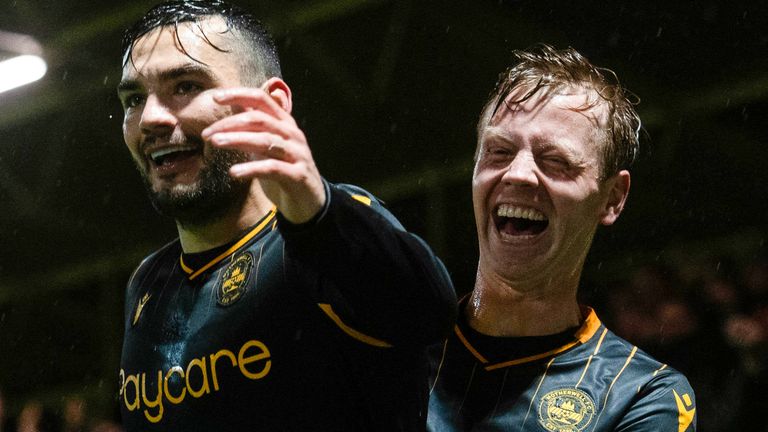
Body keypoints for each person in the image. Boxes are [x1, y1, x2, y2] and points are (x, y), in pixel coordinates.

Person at [115, 1, 456, 430]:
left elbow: (431, 314)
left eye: (184, 86)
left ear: (270, 104)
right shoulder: (147, 284)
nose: (150, 118)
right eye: (133, 99)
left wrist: (318, 214)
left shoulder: (329, 237)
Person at [427, 45, 697, 431]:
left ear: (612, 198)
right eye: (499, 151)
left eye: (555, 161)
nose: (517, 174)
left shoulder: (642, 396)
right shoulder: (393, 348)